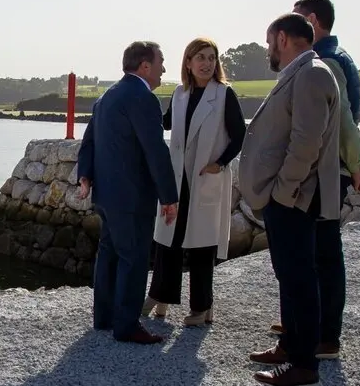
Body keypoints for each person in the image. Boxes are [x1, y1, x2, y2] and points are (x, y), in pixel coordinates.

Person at [262, 0, 360, 358]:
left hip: (320, 174)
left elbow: (341, 124)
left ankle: (319, 339)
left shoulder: (322, 65)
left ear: (311, 20)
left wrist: (355, 167)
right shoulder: (337, 59)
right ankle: (303, 333)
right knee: (314, 257)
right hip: (329, 170)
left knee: (316, 258)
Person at [238, 13, 341, 386]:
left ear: (282, 38)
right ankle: (290, 345)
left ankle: (303, 366)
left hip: (295, 198)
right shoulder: (301, 74)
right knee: (290, 275)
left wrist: (283, 193)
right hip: (289, 197)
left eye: (269, 43)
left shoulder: (312, 74)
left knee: (299, 278)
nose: (269, 50)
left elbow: (305, 142)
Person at [77, 41, 179, 344]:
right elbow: (155, 150)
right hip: (133, 197)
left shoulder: (107, 96)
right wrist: (169, 196)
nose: (164, 69)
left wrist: (86, 175)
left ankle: (105, 317)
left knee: (109, 255)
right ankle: (127, 326)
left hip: (107, 195)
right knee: (133, 259)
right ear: (144, 66)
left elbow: (89, 140)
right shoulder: (141, 98)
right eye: (161, 62)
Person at [142, 37, 246, 326]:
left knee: (202, 246)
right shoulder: (179, 93)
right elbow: (164, 122)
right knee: (167, 241)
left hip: (204, 178)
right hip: (178, 179)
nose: (207, 63)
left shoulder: (224, 95)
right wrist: (135, 107)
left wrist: (220, 163)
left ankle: (202, 307)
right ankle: (159, 296)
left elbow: (240, 135)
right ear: (188, 62)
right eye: (200, 57)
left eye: (211, 58)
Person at [293, 0, 360, 122]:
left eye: (295, 21)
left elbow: (337, 121)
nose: (288, 28)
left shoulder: (326, 61)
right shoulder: (337, 55)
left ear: (312, 20)